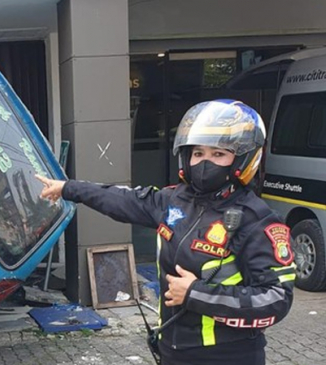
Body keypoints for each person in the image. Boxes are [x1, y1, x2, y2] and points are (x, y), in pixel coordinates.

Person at [36, 100, 295, 365]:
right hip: (173, 349)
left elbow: (276, 299)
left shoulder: (256, 220)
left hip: (227, 356)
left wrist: (196, 293)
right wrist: (69, 188)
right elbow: (121, 199)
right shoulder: (174, 200)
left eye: (218, 154)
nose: (205, 162)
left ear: (242, 159)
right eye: (198, 153)